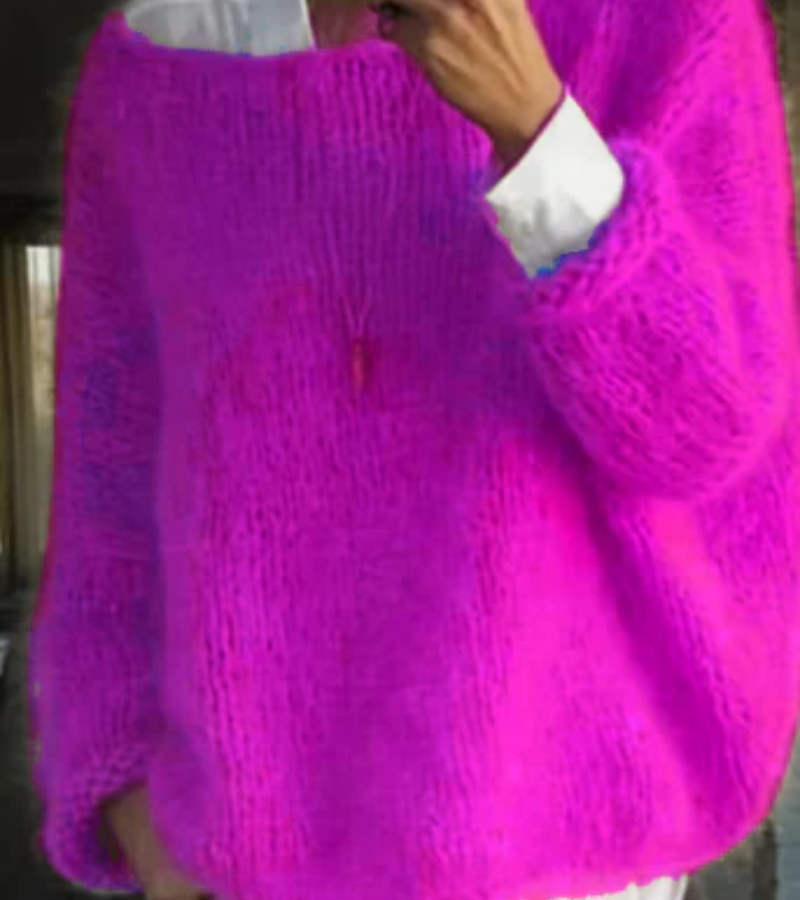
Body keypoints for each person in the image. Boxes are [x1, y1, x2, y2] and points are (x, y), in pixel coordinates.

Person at [26, 1, 800, 900]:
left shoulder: (669, 24)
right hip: (251, 866)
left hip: (567, 863)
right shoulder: (170, 42)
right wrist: (124, 796)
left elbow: (707, 434)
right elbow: (108, 479)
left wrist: (536, 132)